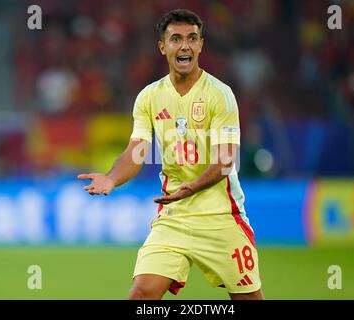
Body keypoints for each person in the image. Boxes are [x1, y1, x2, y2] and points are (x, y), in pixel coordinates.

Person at [78, 9, 264, 300]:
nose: (185, 46)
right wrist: (112, 178)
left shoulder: (220, 94)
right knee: (140, 295)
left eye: (192, 38)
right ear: (163, 47)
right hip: (174, 217)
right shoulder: (149, 97)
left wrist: (193, 186)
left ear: (201, 44)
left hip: (220, 216)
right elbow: (136, 152)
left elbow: (225, 161)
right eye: (176, 39)